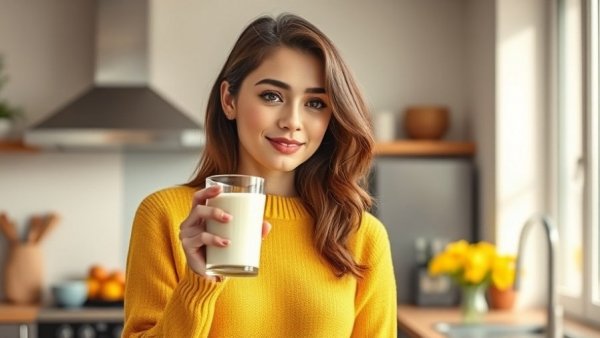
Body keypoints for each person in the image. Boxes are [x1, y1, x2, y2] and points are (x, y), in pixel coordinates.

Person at [123, 13, 397, 337]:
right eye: (272, 96)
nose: (292, 121)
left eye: (315, 103)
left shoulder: (362, 236)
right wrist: (199, 283)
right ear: (229, 100)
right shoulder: (166, 215)